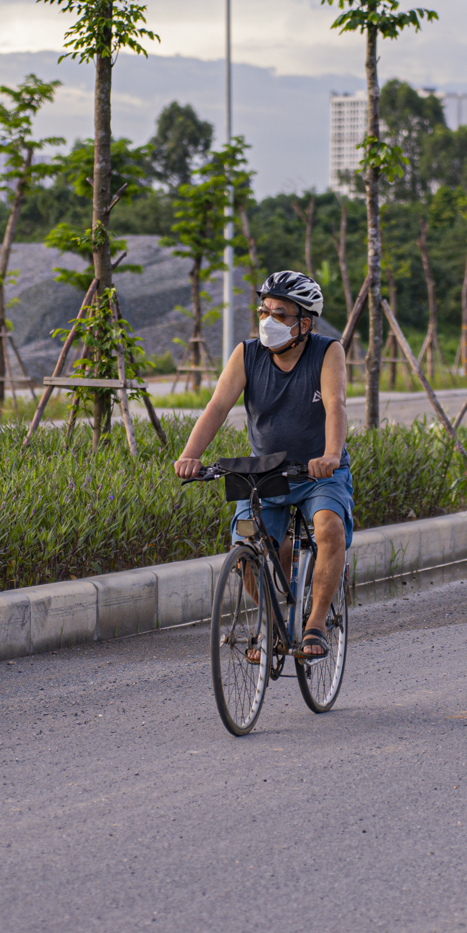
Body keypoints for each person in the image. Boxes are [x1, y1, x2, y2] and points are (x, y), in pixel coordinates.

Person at [173, 271, 350, 660]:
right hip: (265, 472)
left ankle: (315, 624)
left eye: (280, 314)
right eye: (264, 311)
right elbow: (218, 406)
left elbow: (335, 405)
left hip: (317, 471)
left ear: (305, 323)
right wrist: (190, 455)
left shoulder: (327, 351)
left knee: (329, 527)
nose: (268, 321)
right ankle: (273, 621)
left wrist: (332, 455)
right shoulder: (247, 353)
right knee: (247, 546)